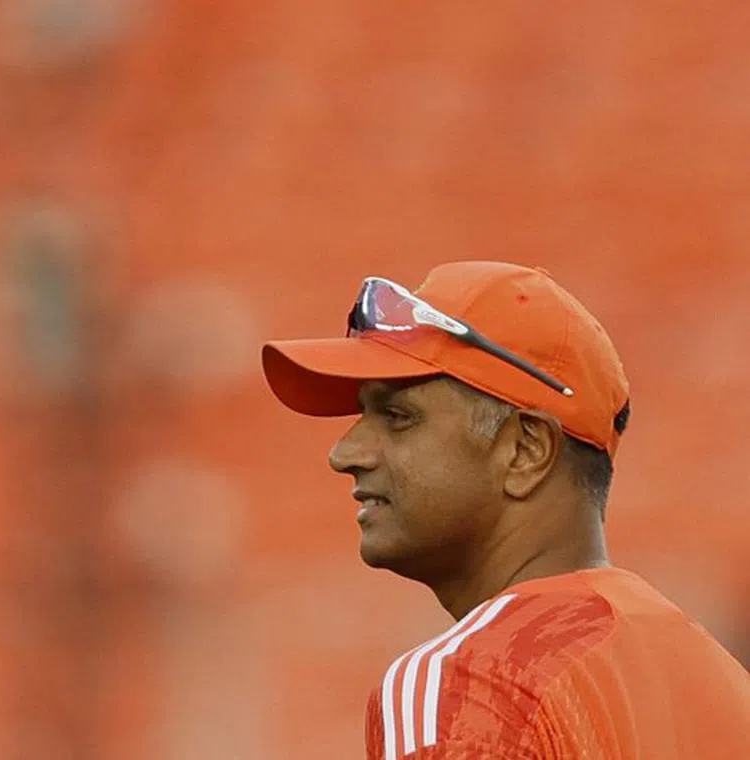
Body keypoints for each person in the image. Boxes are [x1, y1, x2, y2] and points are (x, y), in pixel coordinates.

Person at [261, 261, 750, 759]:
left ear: (525, 450)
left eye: (397, 416)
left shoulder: (472, 677)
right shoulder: (720, 682)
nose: (345, 454)